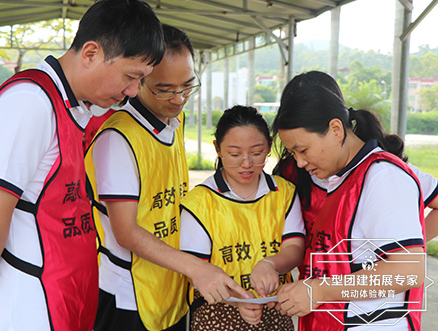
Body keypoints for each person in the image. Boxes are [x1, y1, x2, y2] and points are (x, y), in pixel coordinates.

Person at [0, 1, 164, 330]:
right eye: (131, 77)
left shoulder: (75, 106)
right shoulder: (29, 103)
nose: (133, 92)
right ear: (90, 53)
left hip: (58, 296)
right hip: (24, 306)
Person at [85, 24, 249, 331]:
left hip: (172, 283)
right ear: (137, 80)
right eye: (164, 89)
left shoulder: (175, 121)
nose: (178, 98)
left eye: (187, 86)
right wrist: (196, 268)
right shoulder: (117, 140)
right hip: (130, 293)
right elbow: (126, 232)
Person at [269, 75, 426, 330]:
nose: (298, 163)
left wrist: (318, 291)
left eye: (303, 150)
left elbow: (408, 271)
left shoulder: (382, 178)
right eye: (293, 153)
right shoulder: (340, 178)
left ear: (336, 129)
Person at [273, 71, 438, 244]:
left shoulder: (382, 172)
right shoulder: (291, 171)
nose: (301, 162)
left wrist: (405, 246)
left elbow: (406, 263)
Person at [179, 105, 306, 330]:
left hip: (275, 311)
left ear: (269, 145)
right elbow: (195, 271)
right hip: (217, 313)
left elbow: (295, 247)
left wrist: (270, 264)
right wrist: (236, 299)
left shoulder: (284, 192)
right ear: (218, 149)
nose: (246, 163)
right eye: (235, 154)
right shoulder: (199, 202)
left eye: (256, 153)